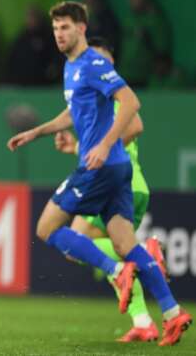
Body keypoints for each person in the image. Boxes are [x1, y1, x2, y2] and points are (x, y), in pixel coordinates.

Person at [7, 1, 191, 346]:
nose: (60, 34)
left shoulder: (92, 62)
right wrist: (36, 132)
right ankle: (172, 313)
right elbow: (70, 114)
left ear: (82, 29)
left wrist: (105, 145)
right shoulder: (71, 66)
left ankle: (117, 271)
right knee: (125, 243)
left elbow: (132, 104)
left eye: (66, 28)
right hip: (117, 169)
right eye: (56, 28)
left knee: (47, 227)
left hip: (103, 166)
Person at [55, 36, 167, 342]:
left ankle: (146, 255)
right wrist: (77, 147)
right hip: (133, 184)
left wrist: (99, 150)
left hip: (117, 184)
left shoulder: (110, 88)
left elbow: (135, 126)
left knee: (76, 243)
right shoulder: (99, 93)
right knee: (111, 262)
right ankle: (143, 321)